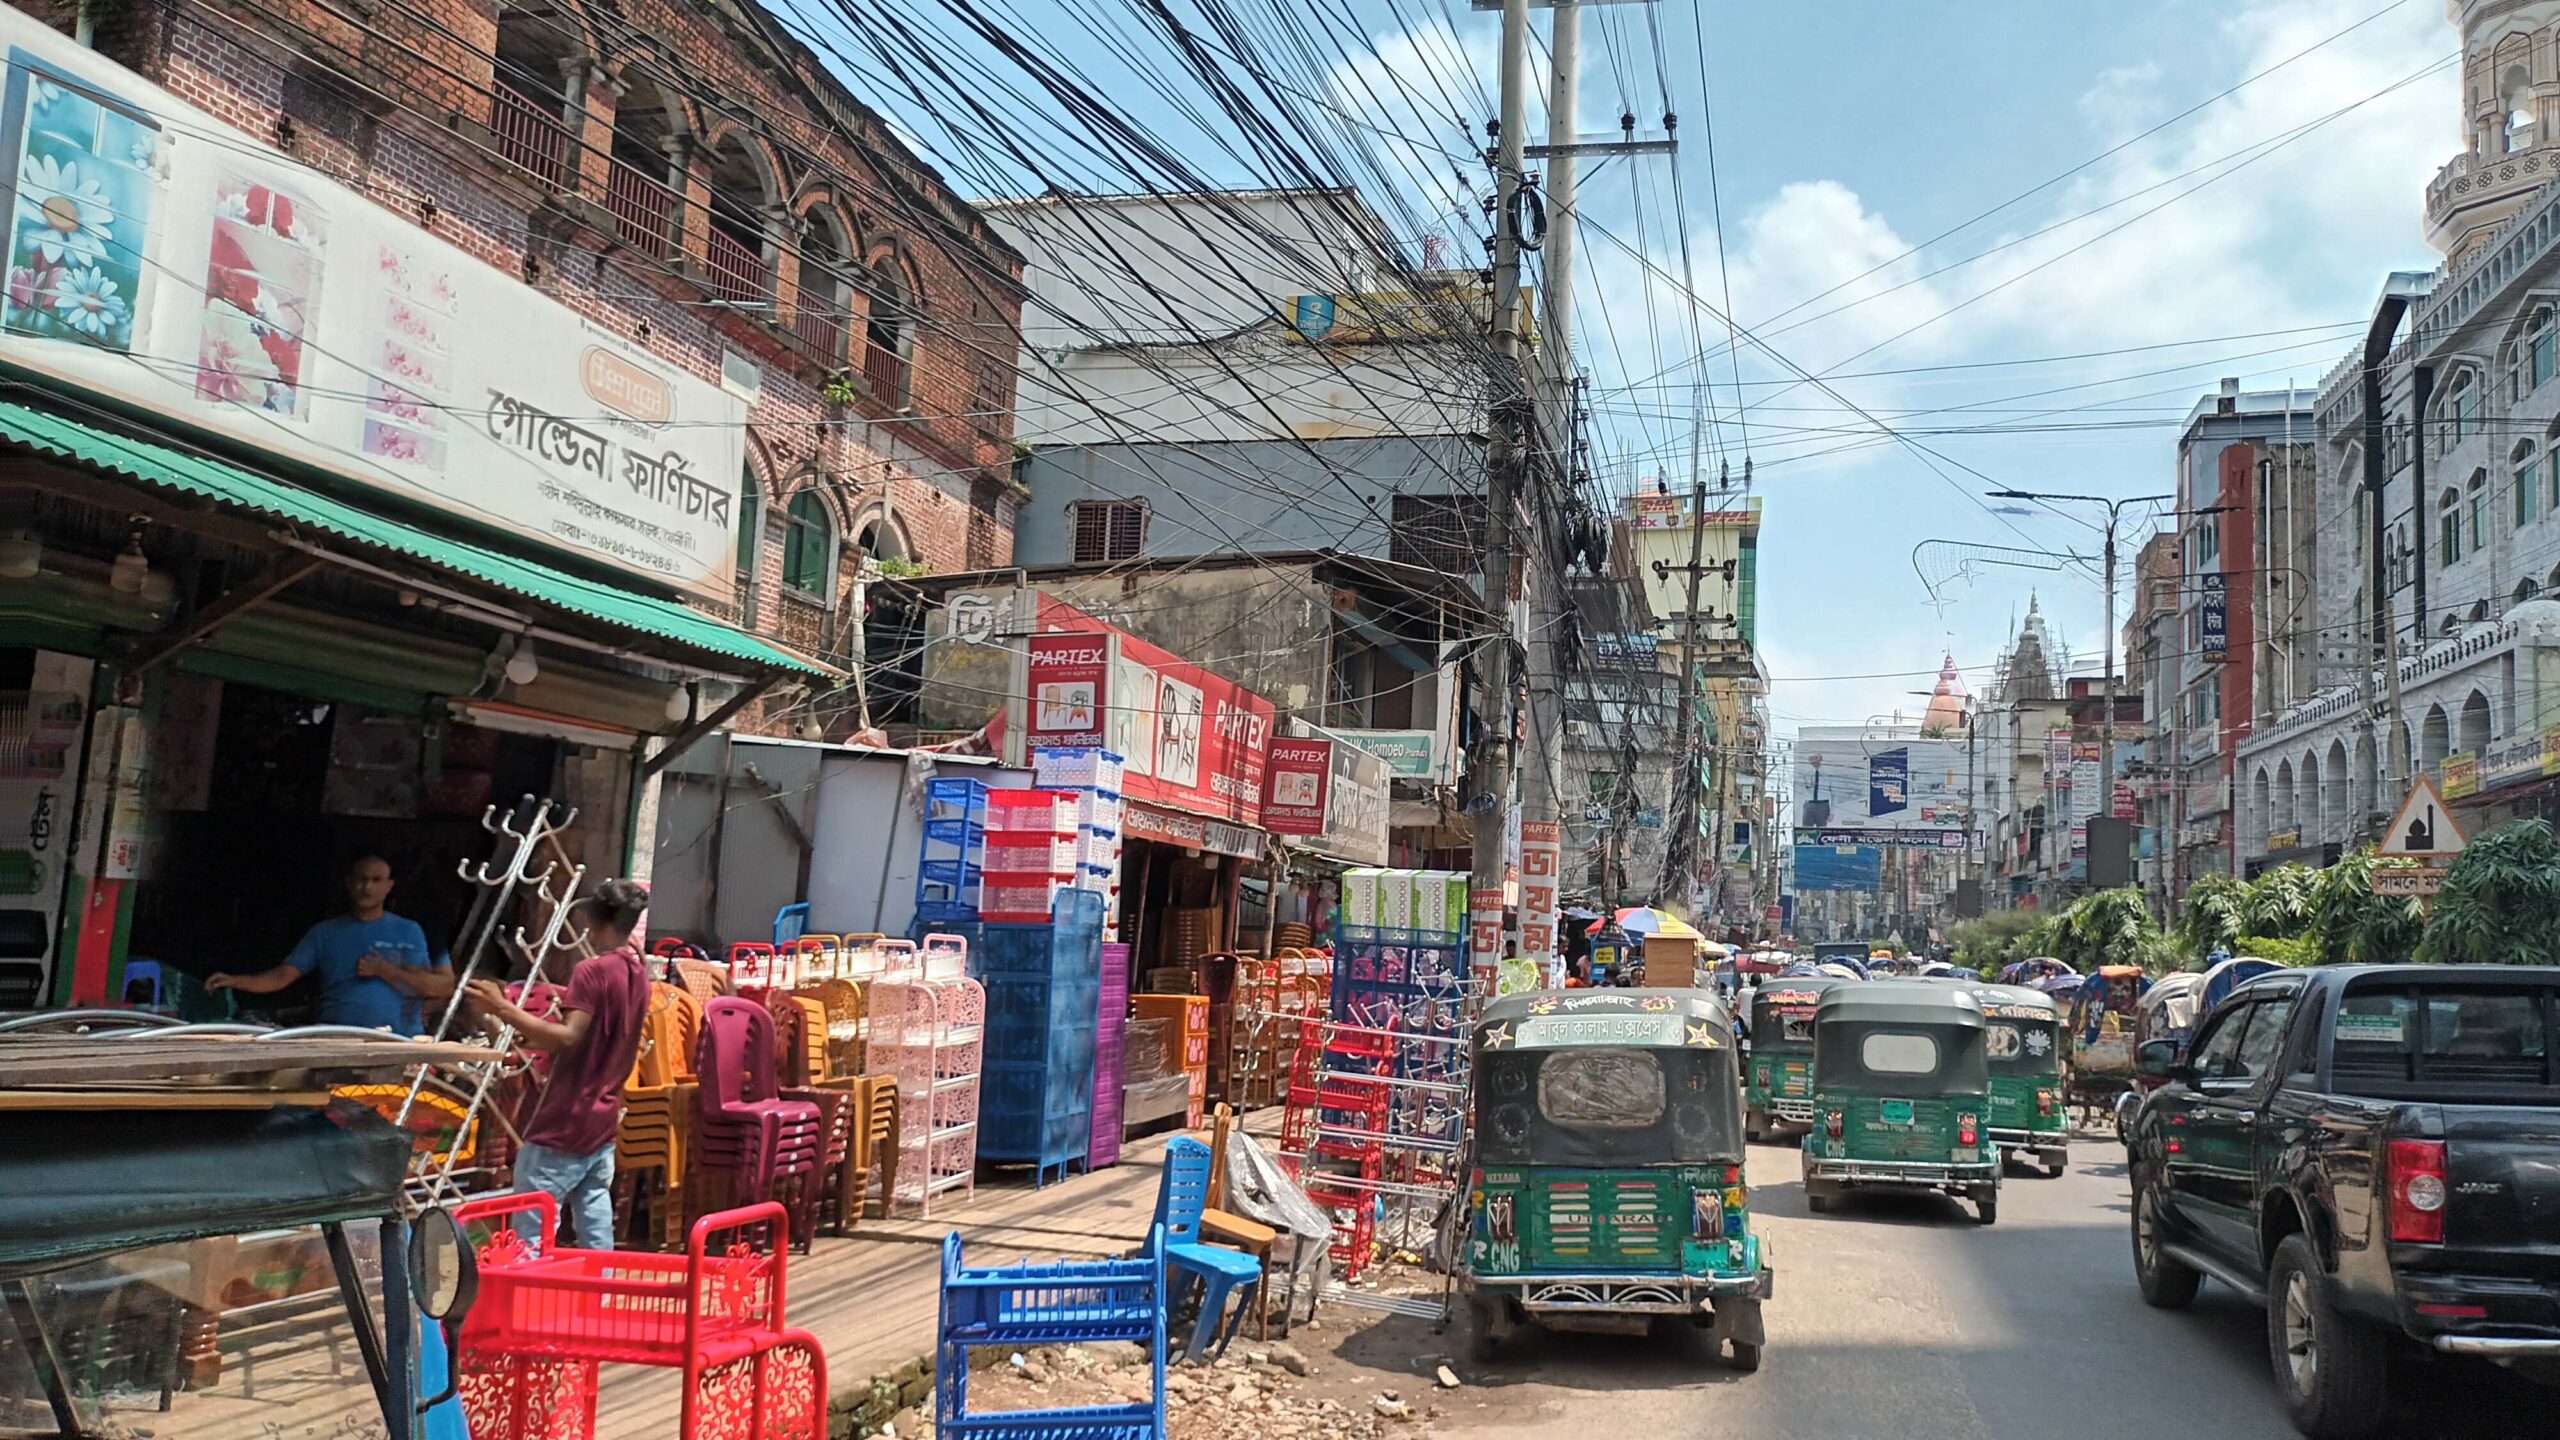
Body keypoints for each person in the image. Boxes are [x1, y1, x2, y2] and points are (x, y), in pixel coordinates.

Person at [464, 879, 654, 1251]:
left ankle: (530, 1302)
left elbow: (570, 1036)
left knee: (531, 1226)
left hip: (567, 1117)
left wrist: (502, 1008)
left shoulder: (592, 971)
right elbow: (596, 1037)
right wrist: (534, 1037)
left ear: (593, 918)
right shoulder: (637, 973)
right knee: (594, 1219)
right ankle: (600, 1299)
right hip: (602, 1117)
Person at [208, 854, 445, 1033]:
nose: (367, 887)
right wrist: (235, 980)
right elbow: (283, 976)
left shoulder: (409, 930)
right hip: (337, 1039)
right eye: (361, 879)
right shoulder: (325, 932)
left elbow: (430, 987)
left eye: (376, 880)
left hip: (398, 1041)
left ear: (389, 886)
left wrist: (384, 970)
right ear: (349, 883)